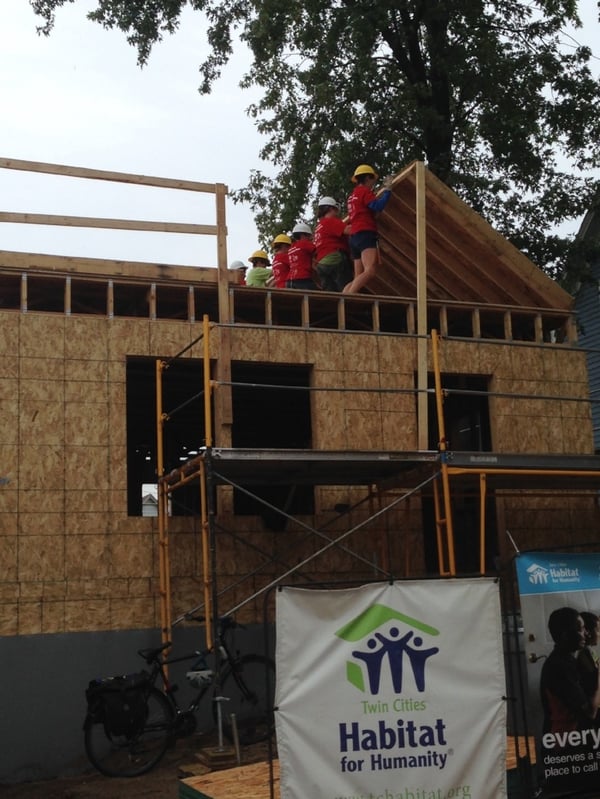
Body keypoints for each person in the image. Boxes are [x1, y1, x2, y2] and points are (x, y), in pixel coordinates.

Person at [540, 606, 600, 735]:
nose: (587, 633)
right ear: (565, 635)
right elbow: (590, 713)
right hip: (565, 745)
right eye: (581, 629)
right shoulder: (560, 668)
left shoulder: (568, 661)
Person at [343, 163, 392, 295]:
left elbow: (365, 211)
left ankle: (344, 296)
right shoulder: (364, 192)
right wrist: (387, 190)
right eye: (373, 180)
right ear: (367, 178)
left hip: (354, 237)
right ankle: (348, 298)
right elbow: (377, 206)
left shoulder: (352, 196)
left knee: (358, 276)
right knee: (370, 270)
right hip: (365, 234)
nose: (373, 184)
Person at [313, 196, 353, 292]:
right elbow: (349, 230)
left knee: (331, 294)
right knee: (347, 289)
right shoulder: (330, 221)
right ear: (331, 208)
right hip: (335, 259)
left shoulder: (319, 226)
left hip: (322, 264)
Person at [286, 223, 318, 290]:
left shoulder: (291, 248)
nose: (310, 238)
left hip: (289, 282)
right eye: (309, 236)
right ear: (303, 235)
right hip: (302, 279)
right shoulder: (304, 243)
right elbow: (318, 252)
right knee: (321, 295)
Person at [578, 611, 600, 705]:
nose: (599, 634)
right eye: (598, 630)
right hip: (594, 704)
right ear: (588, 632)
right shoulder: (584, 653)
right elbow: (594, 679)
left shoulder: (590, 651)